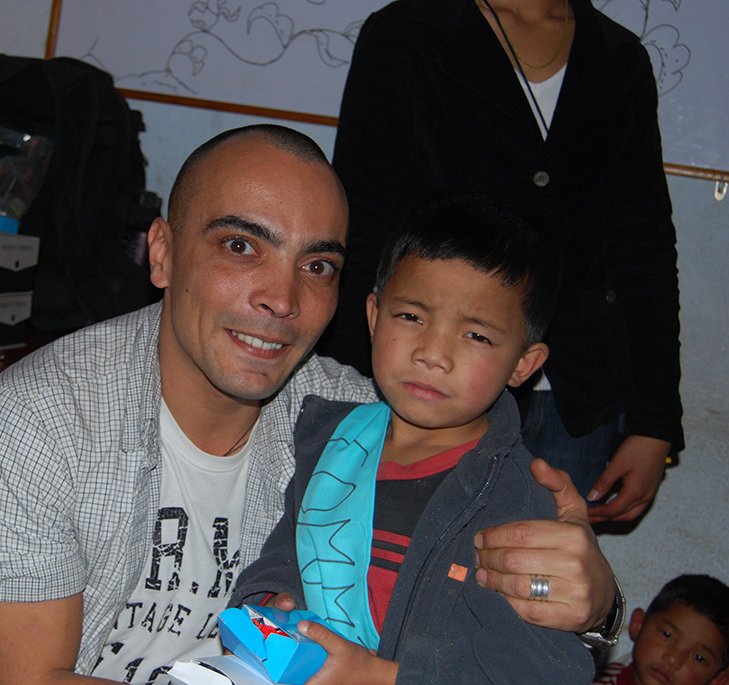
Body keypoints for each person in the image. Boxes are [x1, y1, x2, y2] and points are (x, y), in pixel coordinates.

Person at [0, 125, 618, 685]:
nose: (283, 299)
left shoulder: (359, 421)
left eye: (317, 266)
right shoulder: (37, 421)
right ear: (162, 253)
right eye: (241, 246)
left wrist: (595, 605)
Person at [322, 0, 683, 525]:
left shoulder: (618, 56)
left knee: (534, 569)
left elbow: (643, 245)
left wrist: (656, 421)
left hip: (576, 400)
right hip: (420, 385)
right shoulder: (408, 31)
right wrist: (341, 391)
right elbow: (361, 221)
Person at [232, 194, 595, 683]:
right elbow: (286, 554)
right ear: (374, 316)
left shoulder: (520, 500)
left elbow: (537, 669)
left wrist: (383, 677)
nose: (433, 354)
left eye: (477, 336)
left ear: (523, 365)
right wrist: (271, 602)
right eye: (411, 317)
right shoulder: (333, 442)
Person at [593, 575, 729, 685]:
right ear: (638, 625)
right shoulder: (587, 679)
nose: (673, 659)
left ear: (719, 679)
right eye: (667, 635)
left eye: (699, 658)